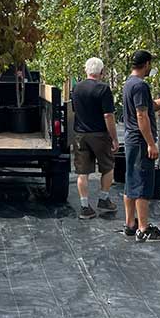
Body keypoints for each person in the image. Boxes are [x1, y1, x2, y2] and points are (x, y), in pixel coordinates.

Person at [122, 50, 160, 242]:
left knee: (131, 180)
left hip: (131, 140)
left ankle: (130, 224)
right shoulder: (140, 85)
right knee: (142, 184)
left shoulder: (129, 84)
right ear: (146, 64)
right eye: (151, 65)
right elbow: (142, 115)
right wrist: (151, 143)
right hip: (140, 142)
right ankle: (142, 228)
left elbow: (153, 106)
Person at [71, 57, 119, 219]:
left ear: (86, 70)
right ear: (102, 72)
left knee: (82, 172)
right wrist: (114, 138)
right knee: (108, 167)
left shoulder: (76, 88)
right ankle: (103, 199)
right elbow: (108, 115)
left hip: (80, 135)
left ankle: (85, 207)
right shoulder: (103, 89)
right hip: (99, 134)